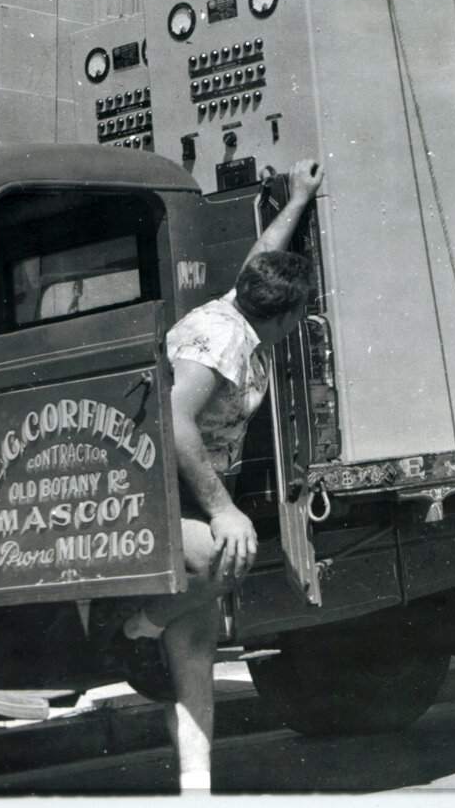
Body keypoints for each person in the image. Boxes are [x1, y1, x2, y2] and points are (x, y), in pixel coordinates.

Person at [112, 158, 324, 792]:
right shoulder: (225, 339)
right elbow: (173, 420)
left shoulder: (243, 305)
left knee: (197, 641)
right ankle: (140, 625)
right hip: (165, 489)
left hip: (189, 489)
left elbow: (264, 254)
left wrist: (300, 197)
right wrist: (224, 508)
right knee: (229, 554)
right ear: (284, 321)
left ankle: (196, 785)